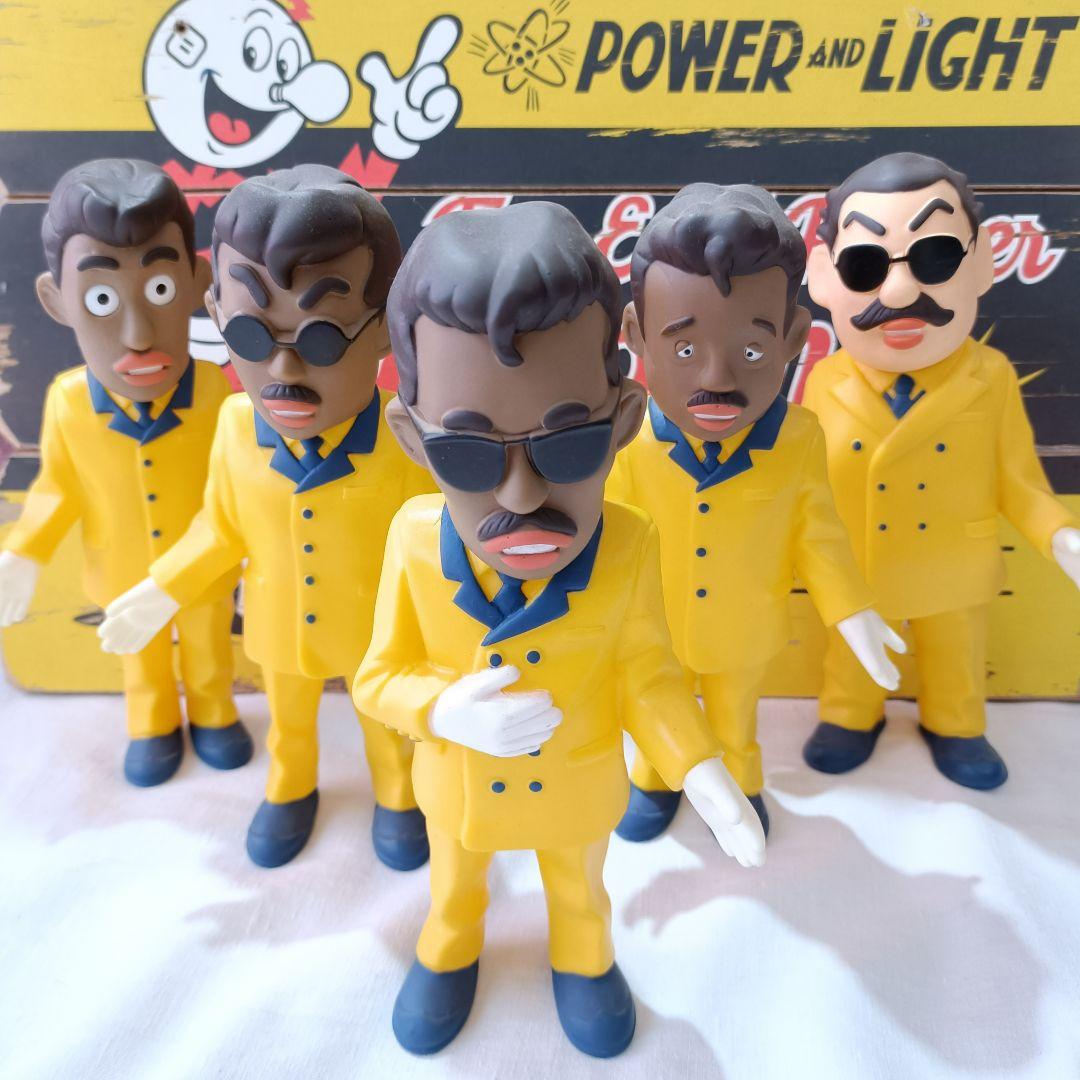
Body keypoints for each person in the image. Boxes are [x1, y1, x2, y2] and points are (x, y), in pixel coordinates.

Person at [353, 201, 765, 1058]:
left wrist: (701, 770)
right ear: (412, 441)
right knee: (453, 888)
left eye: (567, 444)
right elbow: (378, 677)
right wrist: (445, 711)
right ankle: (447, 949)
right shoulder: (412, 544)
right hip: (459, 790)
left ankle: (585, 959)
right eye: (467, 453)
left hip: (578, 790)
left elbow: (648, 678)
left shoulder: (630, 546)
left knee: (579, 891)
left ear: (623, 421)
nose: (520, 496)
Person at [99, 166, 432, 868]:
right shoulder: (233, 428)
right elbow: (220, 530)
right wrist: (163, 589)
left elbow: (438, 542)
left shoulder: (405, 442)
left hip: (378, 635)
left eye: (321, 340)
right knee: (289, 722)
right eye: (252, 337)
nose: (283, 369)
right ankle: (290, 787)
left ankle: (400, 796)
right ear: (217, 316)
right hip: (280, 627)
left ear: (384, 330)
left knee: (387, 727)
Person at [611, 182, 903, 843]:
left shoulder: (797, 439)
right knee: (655, 711)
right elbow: (610, 535)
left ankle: (741, 782)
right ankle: (654, 779)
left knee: (736, 718)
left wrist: (851, 609)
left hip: (746, 626)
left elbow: (817, 534)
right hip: (654, 630)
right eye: (684, 349)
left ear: (795, 338)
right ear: (635, 336)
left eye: (751, 351)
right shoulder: (625, 438)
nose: (717, 378)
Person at [801, 151, 1080, 788]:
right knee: (852, 655)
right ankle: (849, 715)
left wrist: (1060, 535)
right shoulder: (825, 381)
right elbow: (808, 488)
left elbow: (1019, 481)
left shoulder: (991, 377)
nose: (900, 293)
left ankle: (956, 723)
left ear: (980, 264)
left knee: (957, 655)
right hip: (862, 568)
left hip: (956, 561)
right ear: (824, 278)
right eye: (865, 265)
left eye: (935, 257)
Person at [0, 159, 250, 786]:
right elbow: (57, 488)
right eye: (102, 299)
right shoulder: (68, 402)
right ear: (57, 301)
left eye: (160, 290)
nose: (138, 334)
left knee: (208, 644)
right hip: (121, 567)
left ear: (196, 283)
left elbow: (232, 490)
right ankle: (151, 722)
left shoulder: (215, 396)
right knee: (138, 655)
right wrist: (24, 553)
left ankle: (214, 713)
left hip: (202, 569)